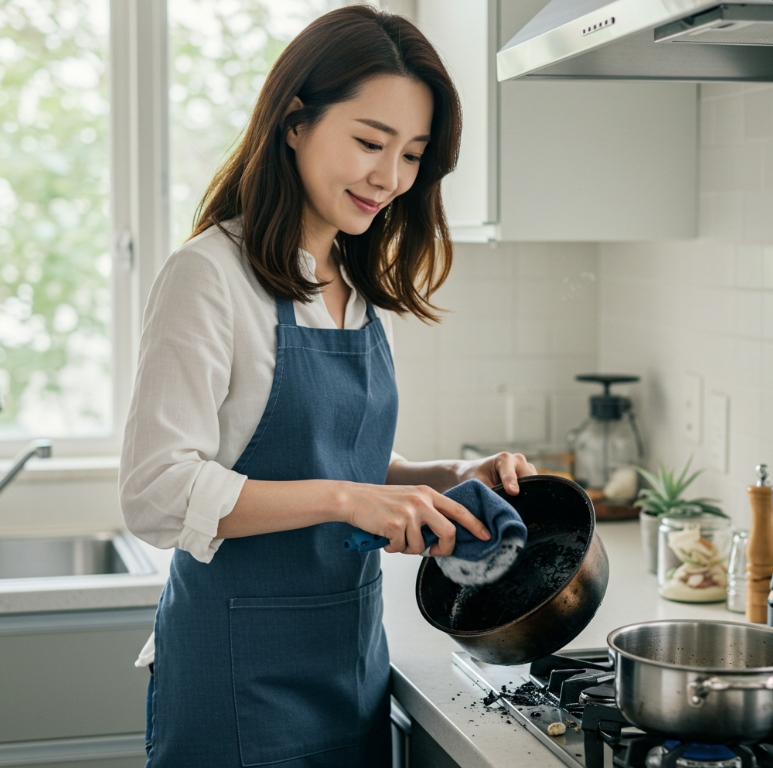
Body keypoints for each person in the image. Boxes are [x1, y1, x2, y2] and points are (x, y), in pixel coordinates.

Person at [119, 6, 536, 767]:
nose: (391, 176)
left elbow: (323, 452)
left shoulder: (354, 279)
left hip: (350, 658)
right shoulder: (209, 276)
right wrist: (351, 501)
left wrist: (437, 479)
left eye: (411, 154)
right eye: (370, 142)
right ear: (293, 122)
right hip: (237, 666)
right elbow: (154, 492)